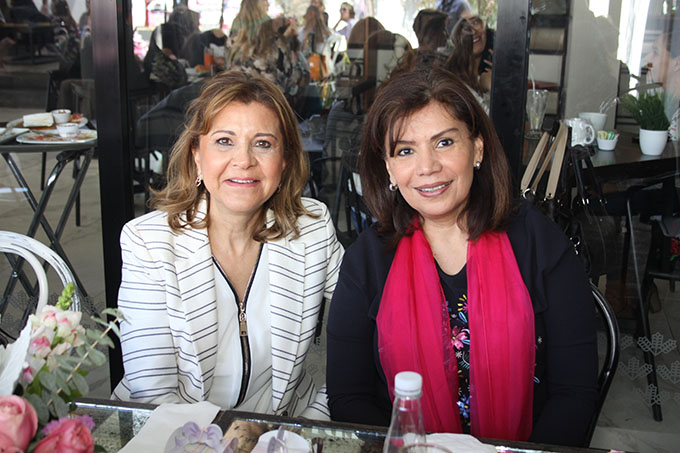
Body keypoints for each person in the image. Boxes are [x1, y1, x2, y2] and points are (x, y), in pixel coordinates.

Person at [326, 67, 598, 446]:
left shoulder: (539, 244)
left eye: (444, 142)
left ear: (477, 149)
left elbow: (575, 394)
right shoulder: (366, 261)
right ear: (389, 167)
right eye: (405, 150)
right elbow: (348, 398)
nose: (427, 167)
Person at [112, 70, 343, 419]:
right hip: (174, 433)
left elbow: (369, 336)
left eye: (263, 144)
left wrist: (312, 423)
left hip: (286, 429)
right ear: (196, 155)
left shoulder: (313, 229)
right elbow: (152, 394)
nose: (244, 160)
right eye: (224, 141)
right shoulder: (149, 243)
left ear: (284, 160)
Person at [228, 17, 310, 118]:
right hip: (272, 102)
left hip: (244, 101)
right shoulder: (280, 45)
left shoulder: (246, 47)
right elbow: (290, 78)